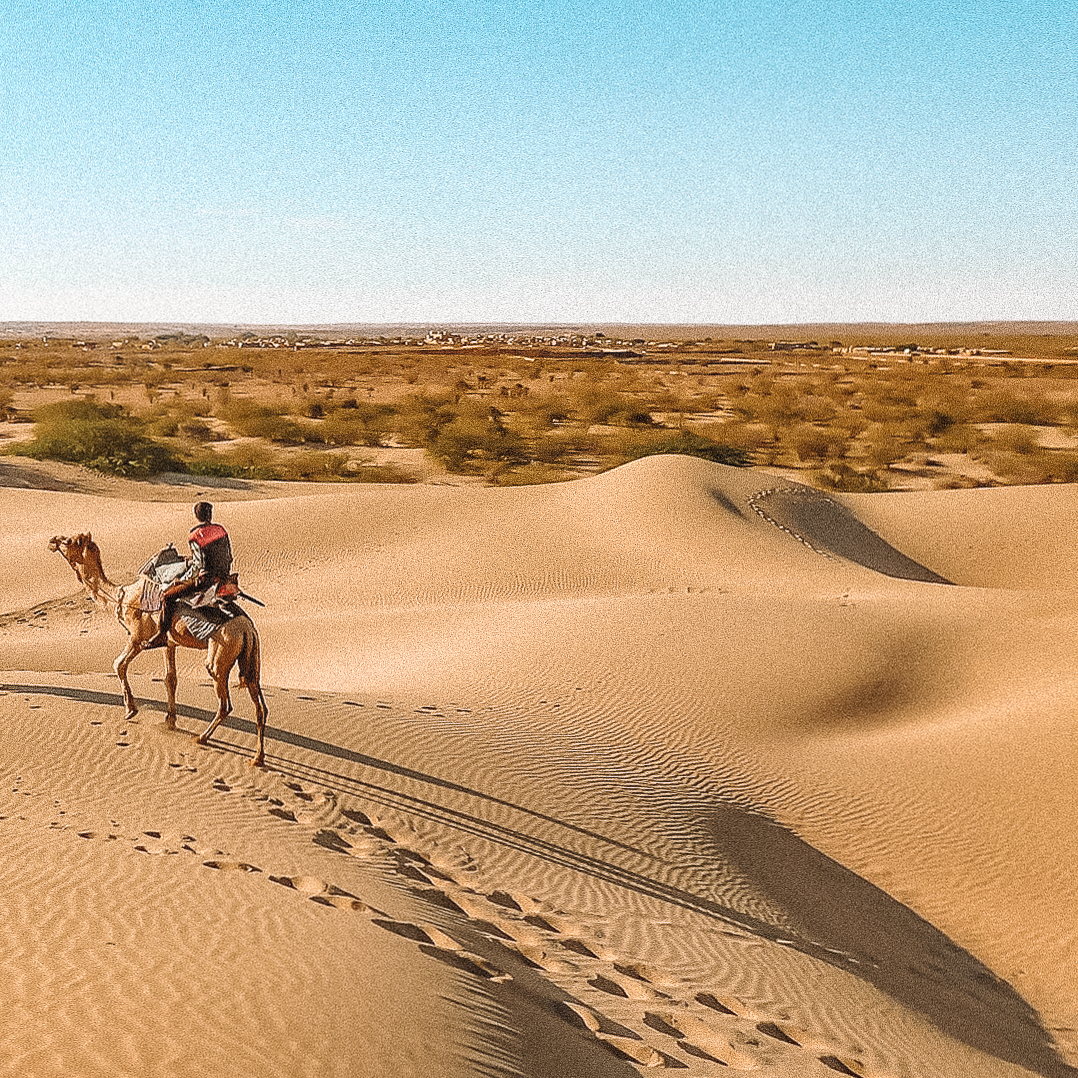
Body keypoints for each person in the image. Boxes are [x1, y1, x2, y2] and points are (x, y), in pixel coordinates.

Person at [145, 502, 233, 649]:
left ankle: (161, 634)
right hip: (224, 578)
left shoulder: (195, 535)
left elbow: (197, 566)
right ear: (210, 515)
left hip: (205, 581)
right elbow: (228, 557)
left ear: (197, 516)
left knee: (167, 596)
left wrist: (181, 580)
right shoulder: (221, 530)